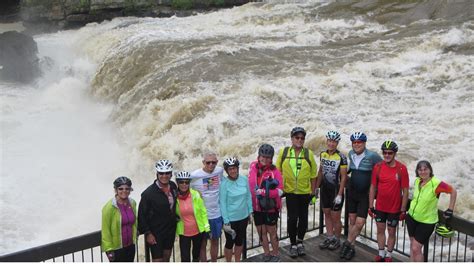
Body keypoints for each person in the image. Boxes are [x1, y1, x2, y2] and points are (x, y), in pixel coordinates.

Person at [275, 126, 317, 258]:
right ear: (292, 138)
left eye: (302, 138)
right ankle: (293, 244)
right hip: (290, 192)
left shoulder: (308, 154)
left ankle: (300, 242)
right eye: (297, 137)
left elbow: (313, 174)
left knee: (303, 219)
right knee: (292, 219)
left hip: (305, 192)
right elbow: (277, 172)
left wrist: (313, 192)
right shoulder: (284, 152)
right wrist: (280, 188)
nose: (299, 140)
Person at [340, 132, 382, 260]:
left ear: (364, 143)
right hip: (352, 191)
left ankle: (346, 243)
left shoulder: (373, 156)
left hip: (365, 194)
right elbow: (350, 170)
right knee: (352, 220)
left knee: (360, 222)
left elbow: (382, 169)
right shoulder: (351, 154)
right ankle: (351, 248)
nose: (356, 144)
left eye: (359, 142)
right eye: (354, 142)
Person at [406, 160, 457, 262]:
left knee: (416, 248)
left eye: (425, 169)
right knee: (412, 246)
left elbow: (453, 191)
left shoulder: (436, 184)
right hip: (411, 217)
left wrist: (450, 208)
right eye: (420, 169)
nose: (423, 172)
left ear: (430, 170)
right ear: (417, 171)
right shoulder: (417, 181)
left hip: (426, 222)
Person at [368, 141, 409, 262]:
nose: (387, 155)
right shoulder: (378, 167)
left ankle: (389, 255)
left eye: (389, 153)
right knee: (380, 230)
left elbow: (405, 191)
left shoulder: (402, 168)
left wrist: (403, 209)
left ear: (395, 153)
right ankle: (381, 252)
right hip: (380, 206)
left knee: (391, 232)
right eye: (384, 153)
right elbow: (372, 187)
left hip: (394, 208)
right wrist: (371, 206)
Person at [249, 144, 284, 262]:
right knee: (261, 233)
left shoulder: (275, 172)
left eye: (268, 157)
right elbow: (251, 185)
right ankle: (266, 253)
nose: (265, 159)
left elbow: (280, 191)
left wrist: (263, 192)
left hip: (270, 209)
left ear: (271, 158)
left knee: (272, 233)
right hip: (257, 208)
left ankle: (275, 254)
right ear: (258, 156)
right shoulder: (253, 167)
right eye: (262, 156)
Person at [138, 160, 178, 262]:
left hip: (169, 230)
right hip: (156, 233)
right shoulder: (148, 194)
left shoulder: (173, 186)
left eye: (167, 173)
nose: (164, 176)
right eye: (161, 173)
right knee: (157, 260)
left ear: (171, 174)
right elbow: (142, 215)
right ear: (157, 174)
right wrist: (148, 233)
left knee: (167, 257)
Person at [316, 131, 348, 251]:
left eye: (334, 141)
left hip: (336, 190)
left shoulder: (342, 157)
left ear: (337, 143)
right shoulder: (322, 154)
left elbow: (344, 177)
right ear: (327, 141)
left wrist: (340, 193)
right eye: (330, 141)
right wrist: (316, 188)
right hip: (325, 189)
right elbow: (320, 172)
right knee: (327, 214)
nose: (331, 143)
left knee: (336, 217)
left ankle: (337, 239)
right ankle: (329, 237)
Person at [190, 152, 224, 262]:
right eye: (208, 162)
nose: (211, 165)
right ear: (203, 162)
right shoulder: (194, 175)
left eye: (213, 162)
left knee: (215, 241)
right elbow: (183, 188)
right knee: (202, 244)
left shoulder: (219, 171)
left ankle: (214, 262)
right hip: (202, 217)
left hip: (216, 214)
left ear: (217, 162)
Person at [219, 157, 253, 262]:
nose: (233, 171)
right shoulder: (224, 184)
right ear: (226, 171)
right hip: (231, 219)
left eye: (234, 168)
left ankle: (238, 261)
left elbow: (248, 196)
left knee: (239, 241)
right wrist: (226, 221)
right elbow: (223, 203)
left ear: (237, 168)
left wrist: (250, 212)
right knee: (230, 243)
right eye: (230, 169)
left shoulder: (244, 179)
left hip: (243, 217)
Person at [175, 171, 210, 262]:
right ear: (177, 183)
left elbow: (203, 212)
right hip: (184, 233)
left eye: (186, 182)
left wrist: (207, 229)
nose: (184, 185)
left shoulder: (195, 194)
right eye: (181, 182)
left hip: (198, 231)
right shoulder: (174, 197)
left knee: (196, 257)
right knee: (185, 259)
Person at [101, 176, 137, 262]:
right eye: (120, 189)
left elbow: (134, 223)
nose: (124, 191)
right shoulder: (109, 208)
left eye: (127, 189)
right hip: (116, 249)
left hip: (130, 246)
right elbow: (105, 230)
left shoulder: (132, 203)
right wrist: (109, 250)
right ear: (115, 190)